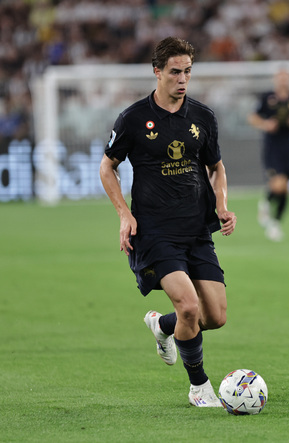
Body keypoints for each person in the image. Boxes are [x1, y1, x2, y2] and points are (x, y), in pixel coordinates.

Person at [99, 37, 236, 406]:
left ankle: (162, 326)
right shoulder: (132, 119)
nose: (183, 79)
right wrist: (124, 215)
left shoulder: (203, 117)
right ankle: (199, 386)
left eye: (188, 71)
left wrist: (221, 205)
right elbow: (107, 167)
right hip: (155, 232)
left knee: (215, 316)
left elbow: (216, 167)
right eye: (175, 71)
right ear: (157, 72)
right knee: (189, 307)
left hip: (196, 230)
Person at [248, 68, 289, 241]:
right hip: (271, 146)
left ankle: (275, 222)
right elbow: (252, 117)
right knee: (278, 184)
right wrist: (265, 124)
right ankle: (266, 204)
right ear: (275, 79)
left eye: (286, 77)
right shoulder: (267, 98)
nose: (283, 80)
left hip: (287, 145)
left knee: (285, 187)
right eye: (280, 77)